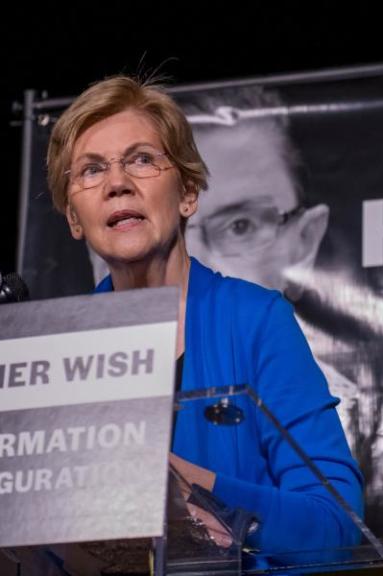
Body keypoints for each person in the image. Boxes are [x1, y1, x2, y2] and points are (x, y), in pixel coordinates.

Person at [46, 75, 363, 555]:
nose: (117, 183)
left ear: (189, 193)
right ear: (73, 217)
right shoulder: (55, 351)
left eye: (141, 160)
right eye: (91, 170)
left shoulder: (256, 322)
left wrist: (185, 488)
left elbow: (335, 524)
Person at [86, 86, 360, 445]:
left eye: (240, 226)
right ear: (98, 258)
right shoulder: (55, 408)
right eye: (170, 233)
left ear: (303, 243)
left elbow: (327, 500)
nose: (192, 259)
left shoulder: (370, 437)